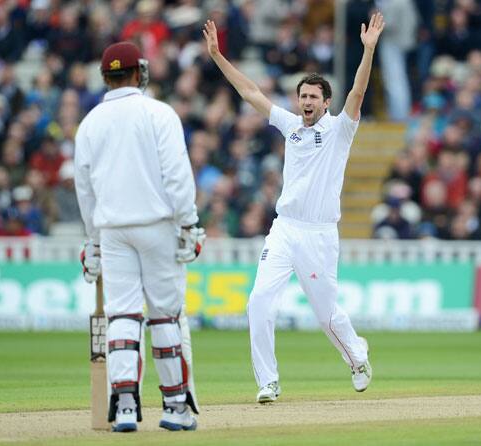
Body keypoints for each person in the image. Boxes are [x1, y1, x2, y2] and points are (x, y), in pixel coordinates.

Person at [203, 13, 383, 403]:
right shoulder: (290, 126)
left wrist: (368, 51)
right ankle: (268, 382)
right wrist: (218, 56)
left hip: (319, 234)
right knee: (258, 303)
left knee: (325, 315)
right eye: (302, 96)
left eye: (313, 97)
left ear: (326, 103)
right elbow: (251, 92)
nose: (306, 102)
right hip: (284, 228)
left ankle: (356, 356)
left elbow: (357, 93)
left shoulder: (339, 130)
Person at [74, 41, 205, 432]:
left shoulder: (90, 122)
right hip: (157, 225)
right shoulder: (158, 113)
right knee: (164, 314)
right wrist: (188, 223)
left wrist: (93, 239)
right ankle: (175, 406)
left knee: (123, 315)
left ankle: (126, 406)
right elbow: (177, 175)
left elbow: (85, 188)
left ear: (105, 77)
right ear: (138, 73)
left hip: (113, 230)